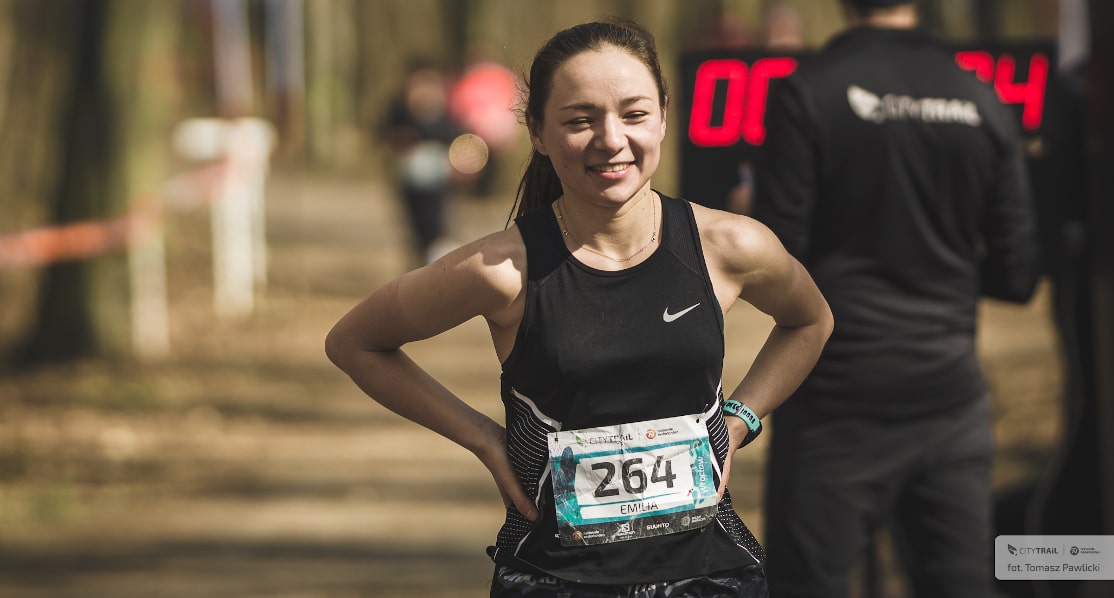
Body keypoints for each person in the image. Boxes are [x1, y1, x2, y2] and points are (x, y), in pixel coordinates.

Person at [327, 18, 833, 598]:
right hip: (553, 578)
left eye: (634, 114)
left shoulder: (730, 246)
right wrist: (485, 441)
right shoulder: (502, 269)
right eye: (580, 120)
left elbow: (811, 320)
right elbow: (354, 343)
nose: (611, 139)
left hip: (711, 575)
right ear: (538, 132)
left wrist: (741, 420)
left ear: (665, 116)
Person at [751, 1, 1041, 597]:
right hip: (951, 410)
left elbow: (780, 266)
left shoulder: (806, 92)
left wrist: (751, 219)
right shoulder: (983, 100)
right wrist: (945, 262)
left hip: (835, 411)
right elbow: (1018, 276)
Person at [381, 58, 464, 265]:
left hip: (441, 181)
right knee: (416, 231)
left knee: (438, 229)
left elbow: (462, 141)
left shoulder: (449, 116)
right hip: (410, 181)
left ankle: (437, 268)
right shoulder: (400, 112)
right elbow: (386, 138)